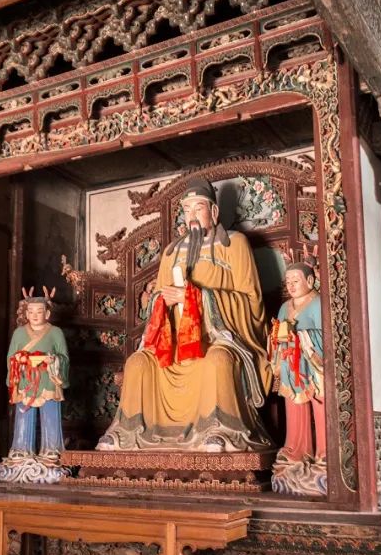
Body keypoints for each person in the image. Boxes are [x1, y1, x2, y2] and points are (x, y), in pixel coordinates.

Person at [96, 178, 274, 452]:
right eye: (187, 209)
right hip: (174, 341)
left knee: (217, 362)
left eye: (198, 208)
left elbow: (252, 303)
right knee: (138, 363)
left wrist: (198, 297)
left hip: (215, 338)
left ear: (214, 211)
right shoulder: (172, 252)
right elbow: (158, 301)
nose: (191, 216)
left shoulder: (235, 244)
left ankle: (219, 430)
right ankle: (126, 433)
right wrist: (164, 300)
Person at [269, 259, 326, 463]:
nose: (291, 286)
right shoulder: (285, 306)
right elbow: (278, 331)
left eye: (295, 281)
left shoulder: (318, 302)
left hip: (313, 364)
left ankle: (324, 451)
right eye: (288, 282)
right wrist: (276, 338)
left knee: (320, 404)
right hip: (290, 363)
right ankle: (297, 449)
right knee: (293, 404)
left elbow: (327, 335)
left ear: (309, 281)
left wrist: (301, 336)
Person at [4, 287, 69, 462]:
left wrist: (53, 360)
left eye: (39, 311)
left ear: (47, 314)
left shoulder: (55, 332)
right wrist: (18, 361)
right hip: (26, 378)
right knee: (24, 414)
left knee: (50, 413)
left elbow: (64, 357)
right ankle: (21, 449)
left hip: (47, 378)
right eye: (31, 311)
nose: (34, 315)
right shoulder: (19, 333)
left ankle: (52, 449)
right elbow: (11, 357)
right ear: (26, 313)